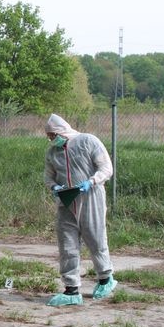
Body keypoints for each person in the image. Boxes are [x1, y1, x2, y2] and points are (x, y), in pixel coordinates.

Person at [44, 114, 117, 306]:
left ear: (61, 131)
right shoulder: (52, 153)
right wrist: (54, 187)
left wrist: (91, 182)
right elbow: (49, 176)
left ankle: (105, 278)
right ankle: (71, 290)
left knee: (95, 238)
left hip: (91, 197)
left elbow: (106, 168)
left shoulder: (88, 141)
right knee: (67, 244)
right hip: (66, 202)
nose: (51, 139)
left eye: (53, 135)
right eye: (49, 137)